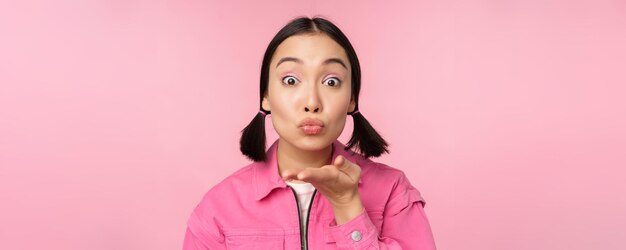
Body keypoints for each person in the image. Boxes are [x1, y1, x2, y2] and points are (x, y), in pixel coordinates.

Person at [183, 16, 436, 250]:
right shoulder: (217, 210)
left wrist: (348, 206)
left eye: (331, 82)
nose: (312, 101)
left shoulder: (393, 192)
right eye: (291, 80)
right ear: (266, 97)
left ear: (351, 99)